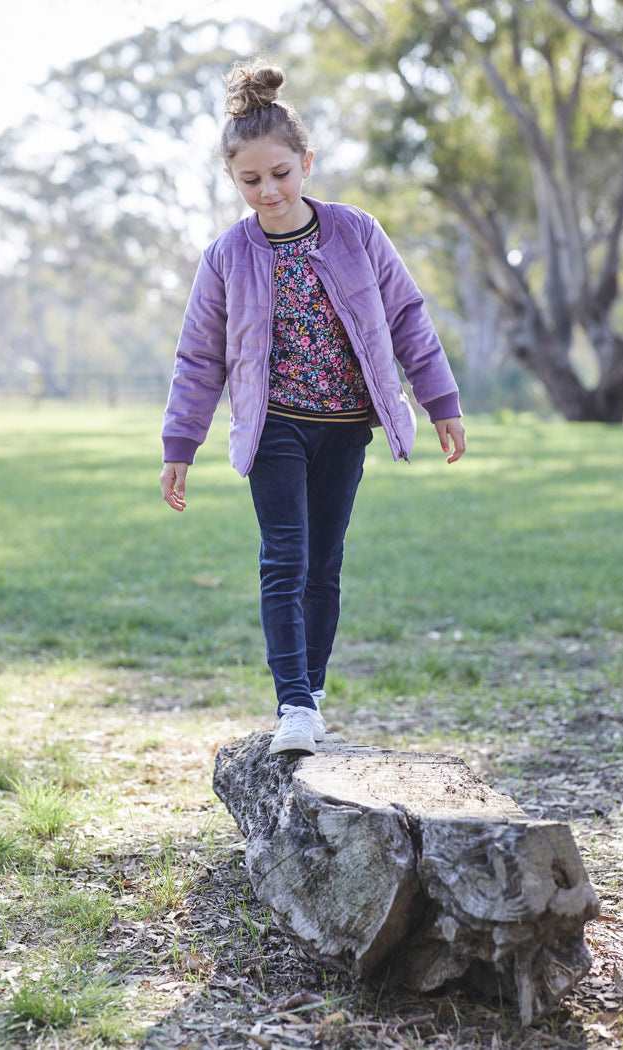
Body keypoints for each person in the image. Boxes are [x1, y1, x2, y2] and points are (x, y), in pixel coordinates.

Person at [160, 62, 465, 756]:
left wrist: (439, 400)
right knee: (284, 561)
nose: (268, 190)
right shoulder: (226, 256)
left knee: (325, 563)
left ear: (306, 163)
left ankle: (313, 691)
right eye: (251, 180)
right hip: (274, 430)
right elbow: (199, 359)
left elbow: (408, 317)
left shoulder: (356, 232)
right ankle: (292, 704)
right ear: (233, 179)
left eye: (281, 174)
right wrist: (180, 447)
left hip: (346, 427)